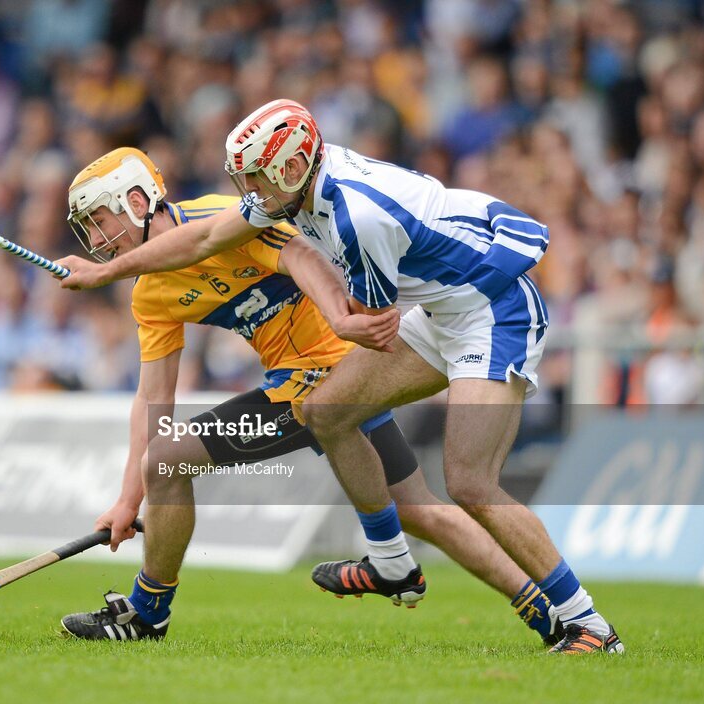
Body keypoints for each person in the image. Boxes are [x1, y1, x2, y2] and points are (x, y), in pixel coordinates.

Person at [56, 102, 622, 655]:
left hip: (479, 313)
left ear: (135, 200)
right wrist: (128, 499)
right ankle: (533, 610)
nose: (249, 193)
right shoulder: (236, 227)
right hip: (413, 327)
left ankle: (147, 612)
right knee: (417, 505)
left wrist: (336, 319)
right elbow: (155, 387)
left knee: (465, 482)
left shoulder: (352, 216)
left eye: (98, 221)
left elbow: (323, 278)